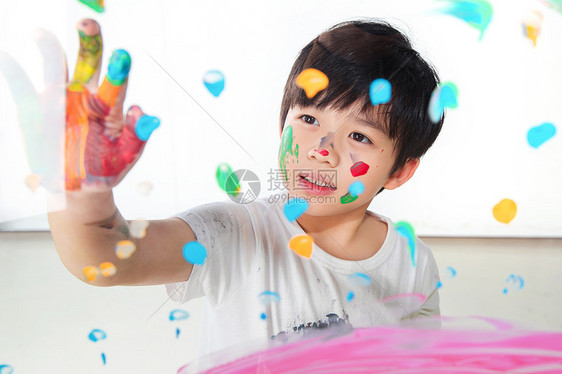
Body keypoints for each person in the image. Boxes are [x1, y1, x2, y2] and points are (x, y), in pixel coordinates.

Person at [48, 18, 445, 359]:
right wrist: (84, 191)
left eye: (359, 135)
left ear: (400, 171)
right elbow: (104, 256)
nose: (322, 150)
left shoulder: (412, 263)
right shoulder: (233, 232)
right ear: (281, 127)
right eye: (308, 119)